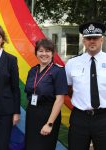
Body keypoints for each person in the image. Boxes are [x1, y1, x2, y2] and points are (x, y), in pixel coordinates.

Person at [65, 22, 106, 150]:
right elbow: (69, 89)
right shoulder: (72, 63)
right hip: (80, 118)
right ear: (84, 40)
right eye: (88, 38)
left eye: (95, 38)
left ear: (102, 40)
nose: (92, 41)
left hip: (104, 118)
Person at [24, 38, 68, 150]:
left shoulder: (58, 71)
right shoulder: (33, 70)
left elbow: (60, 100)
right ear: (36, 53)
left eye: (48, 51)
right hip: (32, 114)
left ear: (53, 53)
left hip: (48, 114)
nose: (44, 54)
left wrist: (49, 124)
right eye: (41, 51)